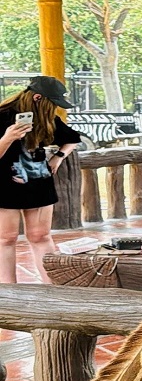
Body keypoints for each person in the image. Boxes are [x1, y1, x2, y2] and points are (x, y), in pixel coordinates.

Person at [0, 76, 81, 284]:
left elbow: (73, 139)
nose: (54, 108)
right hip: (5, 184)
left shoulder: (47, 119)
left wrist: (58, 157)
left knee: (40, 236)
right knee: (5, 238)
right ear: (37, 97)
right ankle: (9, 291)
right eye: (52, 103)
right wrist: (7, 138)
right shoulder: (2, 116)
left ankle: (52, 288)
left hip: (39, 183)